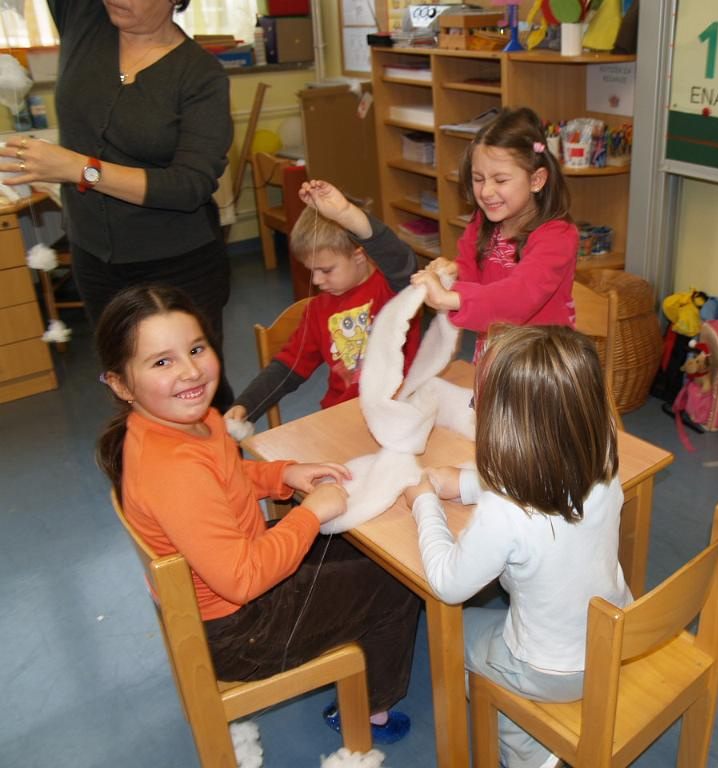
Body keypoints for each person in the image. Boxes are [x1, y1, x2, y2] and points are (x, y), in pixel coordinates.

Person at [95, 284, 419, 743]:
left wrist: (283, 474)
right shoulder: (173, 469)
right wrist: (309, 515)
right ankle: (368, 712)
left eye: (196, 349)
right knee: (396, 579)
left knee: (369, 547)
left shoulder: (188, 421)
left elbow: (226, 478)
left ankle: (354, 644)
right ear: (120, 384)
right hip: (243, 630)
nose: (190, 371)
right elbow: (242, 579)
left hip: (238, 581)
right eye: (162, 362)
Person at [403, 324, 631, 768]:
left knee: (450, 634)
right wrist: (466, 483)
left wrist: (425, 504)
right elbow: (541, 469)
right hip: (615, 638)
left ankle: (527, 749)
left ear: (502, 425)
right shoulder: (603, 462)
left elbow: (448, 582)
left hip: (550, 671)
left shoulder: (504, 512)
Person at [0, 0, 236, 409]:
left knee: (193, 391)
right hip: (94, 257)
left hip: (179, 264)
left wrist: (81, 170)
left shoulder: (200, 75)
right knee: (128, 386)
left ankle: (218, 450)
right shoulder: (85, 16)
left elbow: (189, 185)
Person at [224, 179, 420, 425]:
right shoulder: (318, 310)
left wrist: (346, 214)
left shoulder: (395, 288)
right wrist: (246, 405)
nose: (316, 281)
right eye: (311, 271)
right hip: (343, 418)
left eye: (326, 270)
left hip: (401, 411)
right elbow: (289, 366)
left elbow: (399, 259)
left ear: (359, 256)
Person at [411, 107, 577, 360]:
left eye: (500, 180)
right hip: (496, 351)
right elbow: (471, 271)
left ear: (536, 180)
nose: (486, 192)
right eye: (478, 179)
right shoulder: (483, 221)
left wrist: (450, 299)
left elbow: (520, 296)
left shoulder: (558, 236)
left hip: (540, 364)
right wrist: (453, 270)